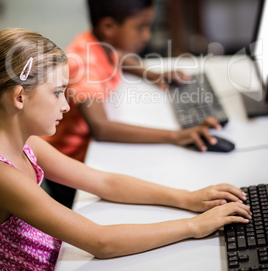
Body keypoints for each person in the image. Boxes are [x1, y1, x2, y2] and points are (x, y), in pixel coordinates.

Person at [0, 27, 251, 270]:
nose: (66, 106)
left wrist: (187, 197)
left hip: (62, 256)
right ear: (20, 97)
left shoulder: (27, 142)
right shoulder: (5, 176)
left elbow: (103, 182)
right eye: (57, 93)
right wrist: (194, 226)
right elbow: (101, 241)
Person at [42, 0, 223, 206]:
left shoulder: (99, 40)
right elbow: (103, 128)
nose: (146, 35)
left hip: (88, 155)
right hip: (68, 166)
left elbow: (119, 57)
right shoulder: (83, 67)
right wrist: (176, 136)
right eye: (140, 27)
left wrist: (152, 74)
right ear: (108, 26)